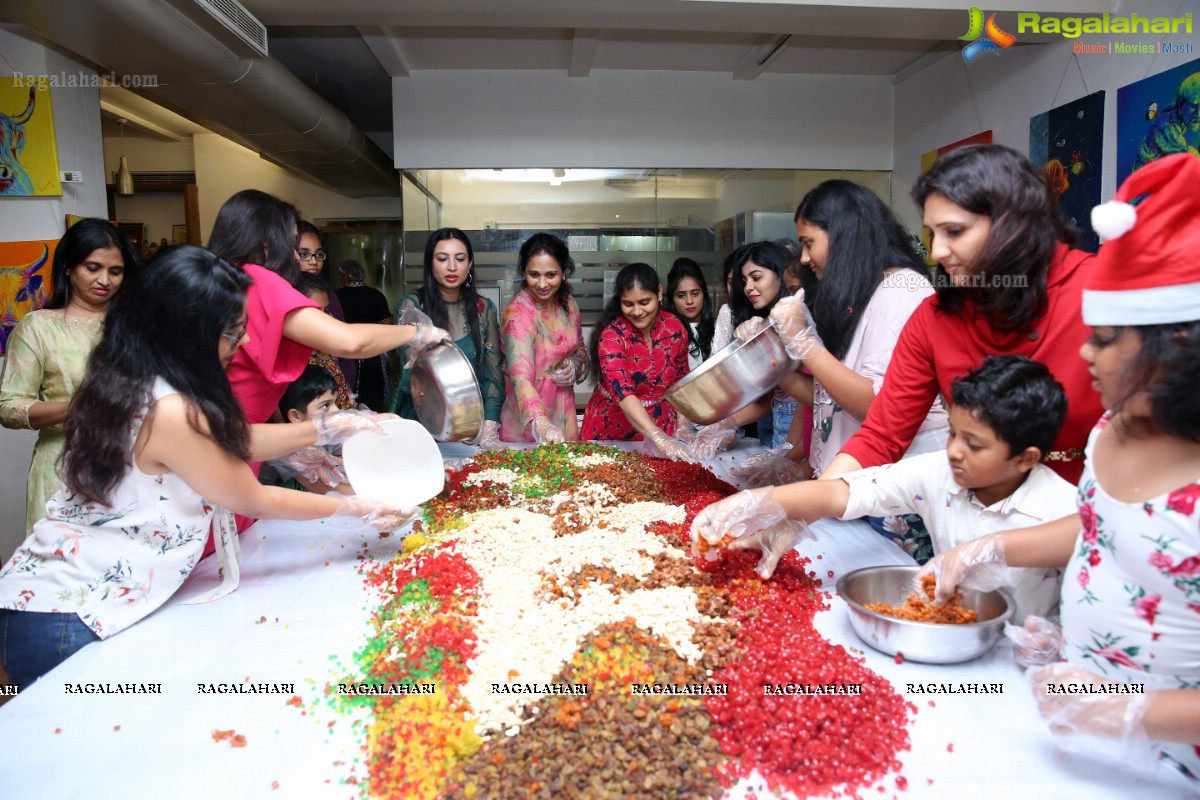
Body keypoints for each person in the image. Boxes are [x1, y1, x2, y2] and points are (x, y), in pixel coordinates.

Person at [0, 246, 415, 687]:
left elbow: (237, 439)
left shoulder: (136, 373)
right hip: (66, 612)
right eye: (234, 333)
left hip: (61, 603)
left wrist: (341, 424)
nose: (247, 343)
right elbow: (250, 496)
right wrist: (362, 507)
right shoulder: (169, 407)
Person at [920, 154, 1200, 784]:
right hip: (1083, 732)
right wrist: (991, 549)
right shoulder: (1113, 426)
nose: (1084, 351)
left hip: (1175, 764)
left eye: (1105, 340)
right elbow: (1104, 528)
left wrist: (1138, 709)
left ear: (1176, 346)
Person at [692, 356, 1075, 613]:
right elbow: (845, 491)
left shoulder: (1064, 507)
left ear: (1026, 458)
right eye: (953, 434)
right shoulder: (937, 473)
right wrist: (760, 502)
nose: (955, 451)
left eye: (973, 445)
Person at [823, 144, 1103, 485]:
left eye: (954, 232)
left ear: (1014, 223)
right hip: (978, 518)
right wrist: (805, 502)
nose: (937, 251)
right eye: (932, 234)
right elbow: (882, 435)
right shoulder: (934, 317)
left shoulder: (1101, 290)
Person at [0, 218, 137, 534]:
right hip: (63, 471)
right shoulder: (39, 327)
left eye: (115, 271)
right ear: (68, 268)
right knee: (66, 574)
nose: (105, 279)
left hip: (133, 468)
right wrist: (76, 407)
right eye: (93, 267)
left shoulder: (134, 328)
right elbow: (8, 407)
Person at [393, 228, 504, 449]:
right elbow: (411, 375)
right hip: (421, 418)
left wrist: (489, 426)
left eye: (460, 259)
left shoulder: (484, 309)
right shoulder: (412, 307)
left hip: (470, 422)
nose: (452, 267)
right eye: (442, 259)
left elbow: (494, 375)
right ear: (430, 263)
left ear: (470, 264)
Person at [579, 263, 693, 461]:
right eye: (628, 304)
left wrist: (682, 426)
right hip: (612, 431)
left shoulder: (674, 327)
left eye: (644, 302)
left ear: (659, 293)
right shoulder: (612, 337)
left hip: (663, 428)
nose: (637, 311)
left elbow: (682, 381)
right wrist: (658, 437)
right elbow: (623, 393)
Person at [499, 232, 588, 443]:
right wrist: (541, 423)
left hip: (563, 415)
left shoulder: (568, 304)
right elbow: (520, 377)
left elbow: (580, 348)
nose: (542, 284)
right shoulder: (518, 316)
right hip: (527, 426)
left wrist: (575, 364)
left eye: (550, 275)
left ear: (564, 273)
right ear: (523, 273)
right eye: (534, 274)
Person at [260, 365, 355, 495]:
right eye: (326, 405)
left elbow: (353, 446)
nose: (336, 411)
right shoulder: (288, 450)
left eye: (335, 402)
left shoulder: (324, 433)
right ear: (296, 416)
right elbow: (329, 489)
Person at [297, 220, 355, 389]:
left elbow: (344, 346)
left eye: (318, 254)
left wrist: (345, 389)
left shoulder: (329, 295)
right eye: (304, 254)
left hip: (332, 387)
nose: (314, 261)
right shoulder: (279, 296)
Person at [336, 259, 393, 412]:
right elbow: (387, 324)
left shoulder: (336, 297)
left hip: (346, 356)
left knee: (350, 399)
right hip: (373, 354)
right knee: (375, 400)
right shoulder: (376, 295)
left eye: (342, 275)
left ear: (347, 276)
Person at [297, 274, 353, 410]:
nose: (323, 319)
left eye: (326, 311)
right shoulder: (289, 360)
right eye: (314, 312)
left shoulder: (322, 350)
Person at [664, 257, 715, 371]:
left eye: (695, 294)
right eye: (681, 295)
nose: (689, 301)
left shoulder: (719, 327)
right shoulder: (666, 334)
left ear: (703, 294)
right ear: (672, 299)